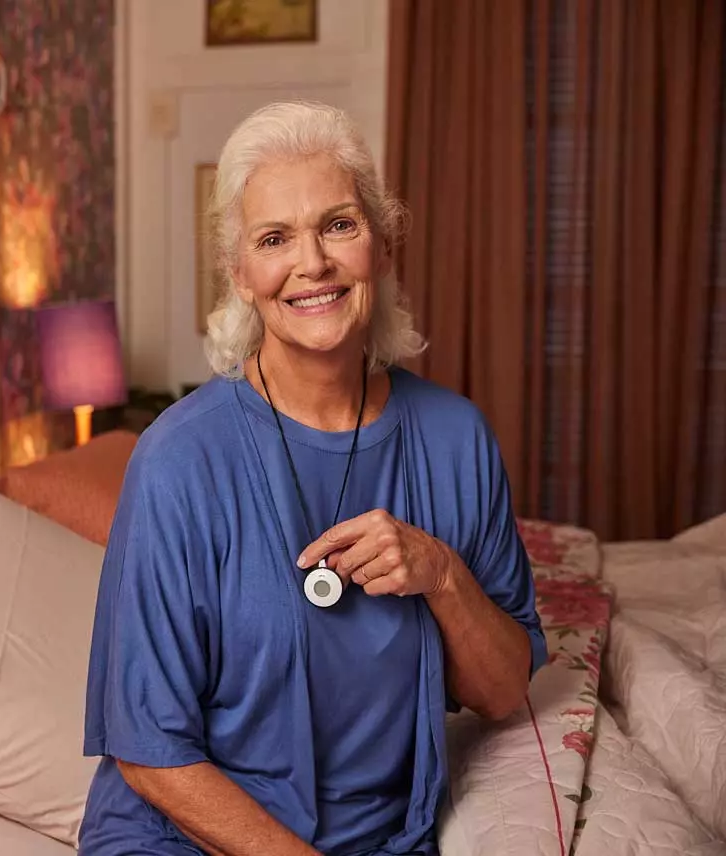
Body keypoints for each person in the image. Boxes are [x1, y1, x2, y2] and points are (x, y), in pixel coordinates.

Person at [79, 101, 546, 856]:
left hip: (377, 840)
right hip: (181, 838)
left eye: (338, 225)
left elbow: (501, 692)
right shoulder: (177, 460)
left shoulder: (457, 438)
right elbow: (147, 749)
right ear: (240, 275)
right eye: (274, 239)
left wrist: (440, 574)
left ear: (383, 245)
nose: (313, 264)